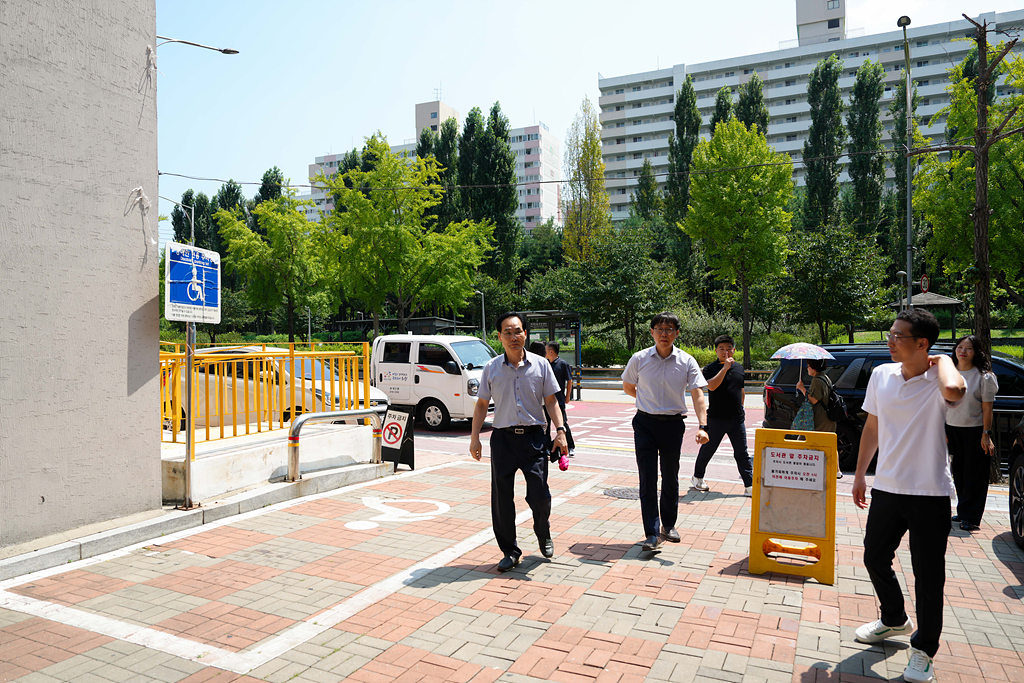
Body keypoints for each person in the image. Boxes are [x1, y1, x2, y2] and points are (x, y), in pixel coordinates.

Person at [852, 308, 965, 683]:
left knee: (928, 576)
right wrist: (859, 476)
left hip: (929, 493)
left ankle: (923, 650)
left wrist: (946, 358)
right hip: (886, 487)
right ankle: (894, 618)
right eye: (890, 333)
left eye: (898, 336)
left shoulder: (939, 378)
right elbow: (873, 425)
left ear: (922, 344)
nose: (890, 341)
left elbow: (955, 390)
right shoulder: (882, 375)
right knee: (874, 556)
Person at [470, 312, 569, 573]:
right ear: (499, 336)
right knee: (501, 499)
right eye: (507, 332)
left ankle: (543, 531)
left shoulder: (541, 365)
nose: (513, 337)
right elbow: (481, 404)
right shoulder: (491, 368)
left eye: (517, 331)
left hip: (535, 439)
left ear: (525, 333)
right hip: (502, 439)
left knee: (539, 494)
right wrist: (474, 439)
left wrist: (560, 431)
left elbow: (551, 401)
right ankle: (510, 551)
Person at [622, 312, 709, 553]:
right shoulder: (639, 359)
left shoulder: (687, 361)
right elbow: (628, 386)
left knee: (670, 476)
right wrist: (646, 400)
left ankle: (668, 525)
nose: (664, 333)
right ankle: (651, 532)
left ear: (677, 333)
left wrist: (703, 426)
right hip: (644, 424)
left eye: (669, 329)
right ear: (651, 332)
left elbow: (698, 394)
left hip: (673, 425)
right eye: (659, 329)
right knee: (647, 478)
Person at [946, 334, 998, 532]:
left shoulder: (984, 376)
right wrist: (943, 429)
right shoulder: (949, 373)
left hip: (975, 431)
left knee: (974, 475)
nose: (963, 352)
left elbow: (987, 409)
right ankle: (963, 510)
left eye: (968, 348)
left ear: (976, 352)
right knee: (958, 473)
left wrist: (986, 433)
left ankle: (972, 517)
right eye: (960, 347)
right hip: (952, 429)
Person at [691, 335, 753, 495]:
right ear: (716, 351)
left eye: (728, 348)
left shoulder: (739, 368)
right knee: (708, 449)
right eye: (721, 349)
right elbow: (711, 387)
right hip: (716, 418)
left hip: (736, 419)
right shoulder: (710, 368)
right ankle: (698, 477)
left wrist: (742, 407)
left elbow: (741, 390)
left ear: (734, 350)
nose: (725, 352)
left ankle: (749, 485)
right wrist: (724, 368)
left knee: (742, 452)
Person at [796, 359, 842, 479]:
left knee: (806, 441)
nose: (807, 368)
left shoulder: (816, 380)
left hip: (820, 418)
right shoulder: (825, 377)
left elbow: (814, 399)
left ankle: (806, 469)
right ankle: (837, 471)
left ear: (813, 367)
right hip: (829, 417)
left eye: (808, 366)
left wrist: (802, 389)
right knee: (831, 443)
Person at [545, 341, 575, 458]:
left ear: (551, 351)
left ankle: (570, 446)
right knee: (546, 425)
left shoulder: (563, 364)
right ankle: (547, 447)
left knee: (563, 424)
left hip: (559, 400)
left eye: (546, 350)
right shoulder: (545, 364)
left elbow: (569, 380)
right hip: (546, 400)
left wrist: (568, 396)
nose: (545, 352)